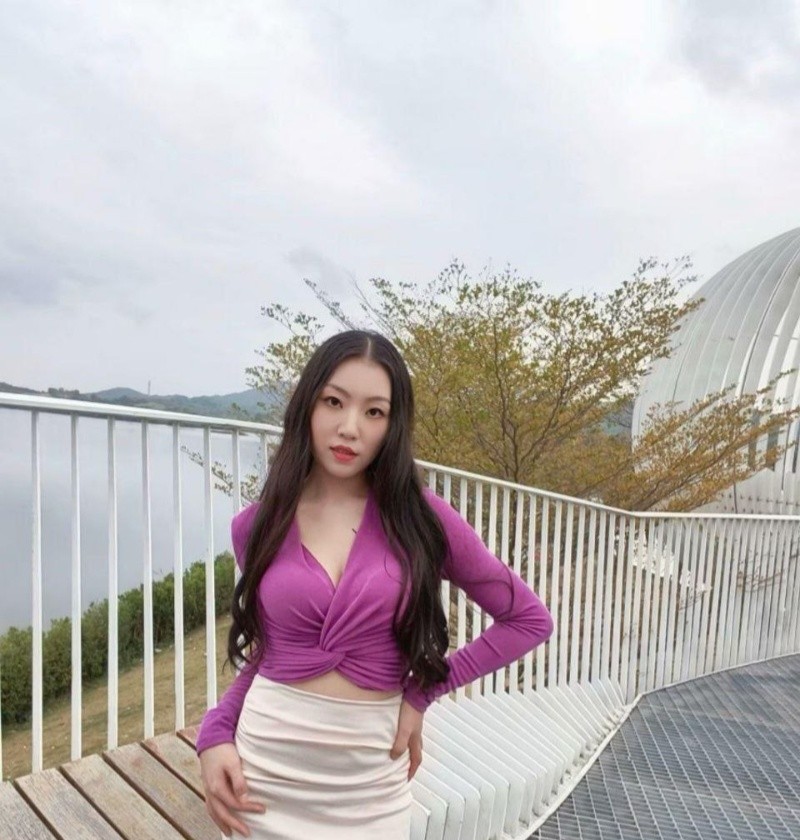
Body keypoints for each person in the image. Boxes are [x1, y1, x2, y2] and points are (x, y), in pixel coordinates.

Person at [196, 329, 554, 839]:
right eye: (334, 402)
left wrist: (426, 689)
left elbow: (528, 619)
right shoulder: (257, 526)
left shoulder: (423, 520)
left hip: (369, 782)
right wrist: (214, 734)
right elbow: (268, 652)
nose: (349, 428)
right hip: (266, 772)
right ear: (307, 405)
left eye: (374, 412)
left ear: (393, 425)